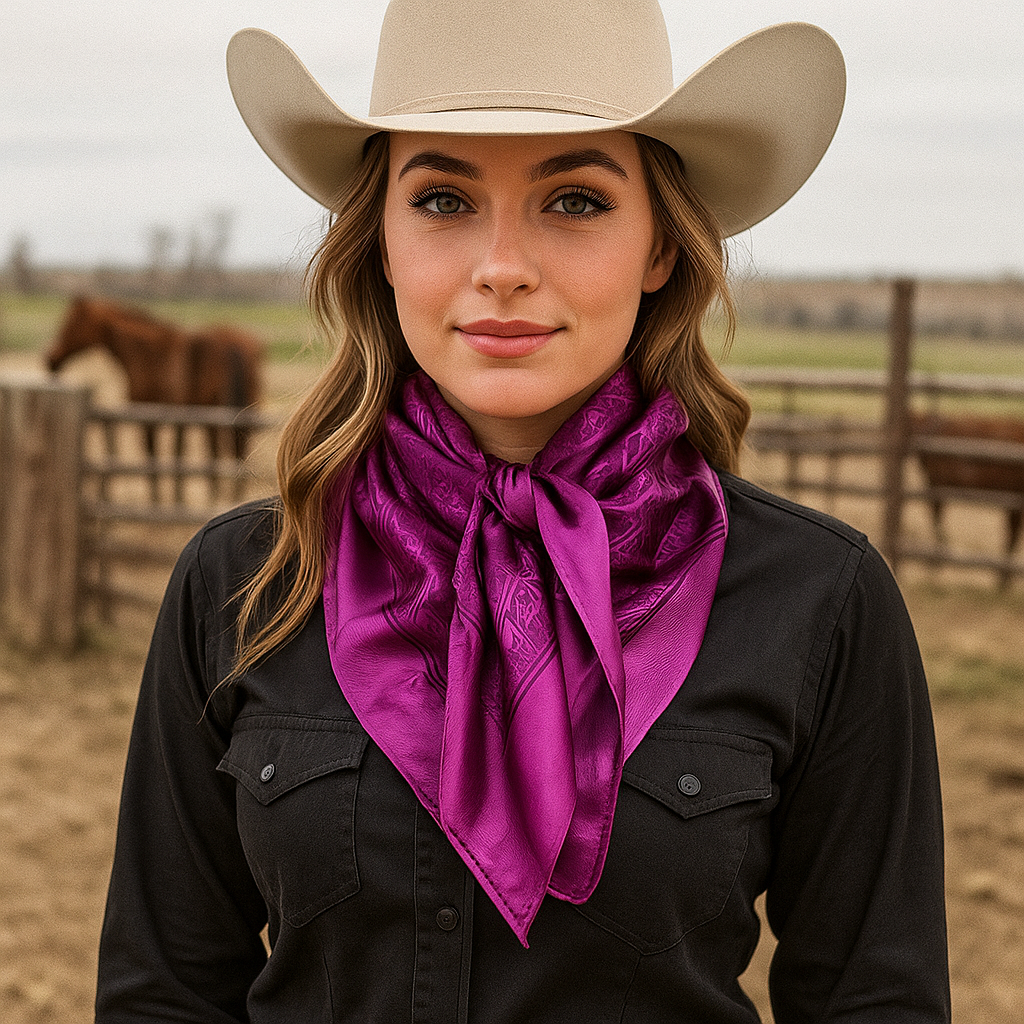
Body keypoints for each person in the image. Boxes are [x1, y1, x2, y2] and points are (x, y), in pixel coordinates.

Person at [96, 1, 951, 1021]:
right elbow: (165, 992)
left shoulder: (820, 598)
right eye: (445, 199)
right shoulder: (243, 582)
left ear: (660, 248)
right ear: (378, 238)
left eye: (576, 201)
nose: (501, 264)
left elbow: (876, 1001)